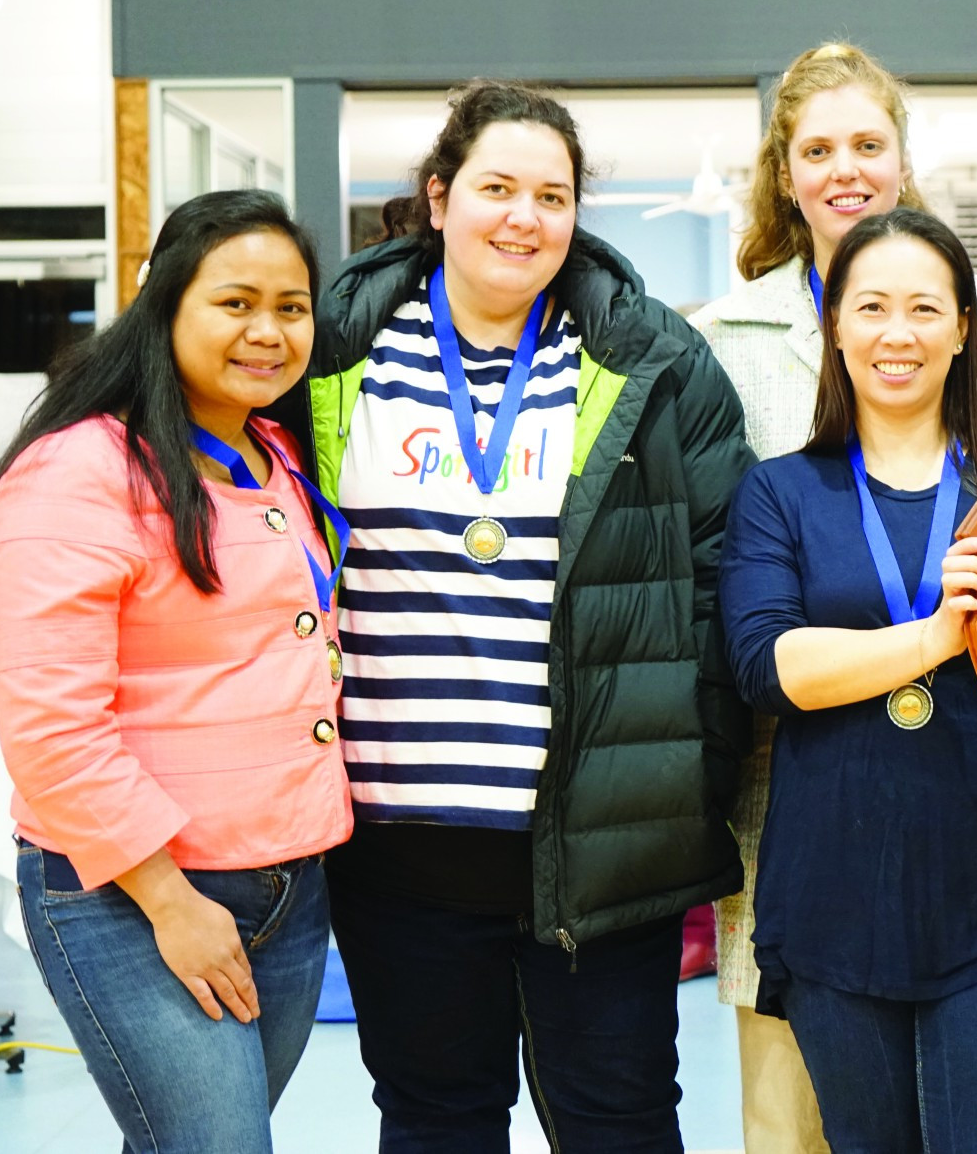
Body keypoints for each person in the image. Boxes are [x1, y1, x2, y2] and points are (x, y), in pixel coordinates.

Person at [291, 81, 753, 1151]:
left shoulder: (655, 365)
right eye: (496, 187)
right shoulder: (333, 356)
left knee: (619, 1124)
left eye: (553, 194)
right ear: (438, 196)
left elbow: (719, 577)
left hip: (602, 843)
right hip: (398, 842)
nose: (523, 217)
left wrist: (684, 779)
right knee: (435, 1121)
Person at [690, 40, 977, 1154]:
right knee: (792, 1119)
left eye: (866, 142)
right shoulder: (725, 341)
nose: (843, 168)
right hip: (800, 784)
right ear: (782, 169)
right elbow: (746, 621)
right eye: (817, 147)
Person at [0, 190, 350, 1152]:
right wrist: (169, 900)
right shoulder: (79, 469)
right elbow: (51, 727)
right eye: (235, 302)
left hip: (287, 882)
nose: (268, 331)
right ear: (166, 306)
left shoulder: (273, 454)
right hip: (133, 892)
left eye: (292, 306)